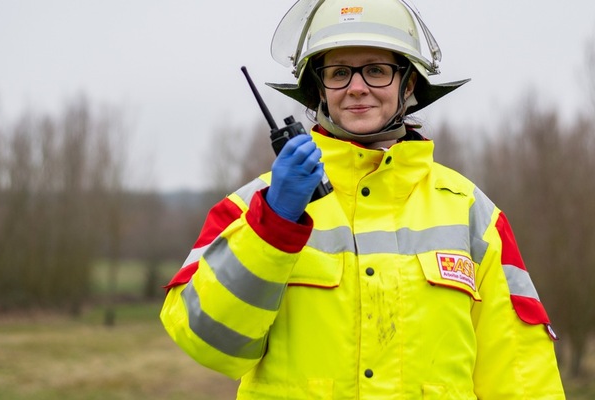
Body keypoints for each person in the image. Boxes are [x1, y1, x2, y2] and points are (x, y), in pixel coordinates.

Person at [160, 0, 566, 398]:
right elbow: (209, 344)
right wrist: (273, 226)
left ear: (408, 84)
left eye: (376, 70)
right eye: (339, 73)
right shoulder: (254, 206)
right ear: (319, 87)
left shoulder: (473, 213)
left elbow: (522, 375)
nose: (357, 88)